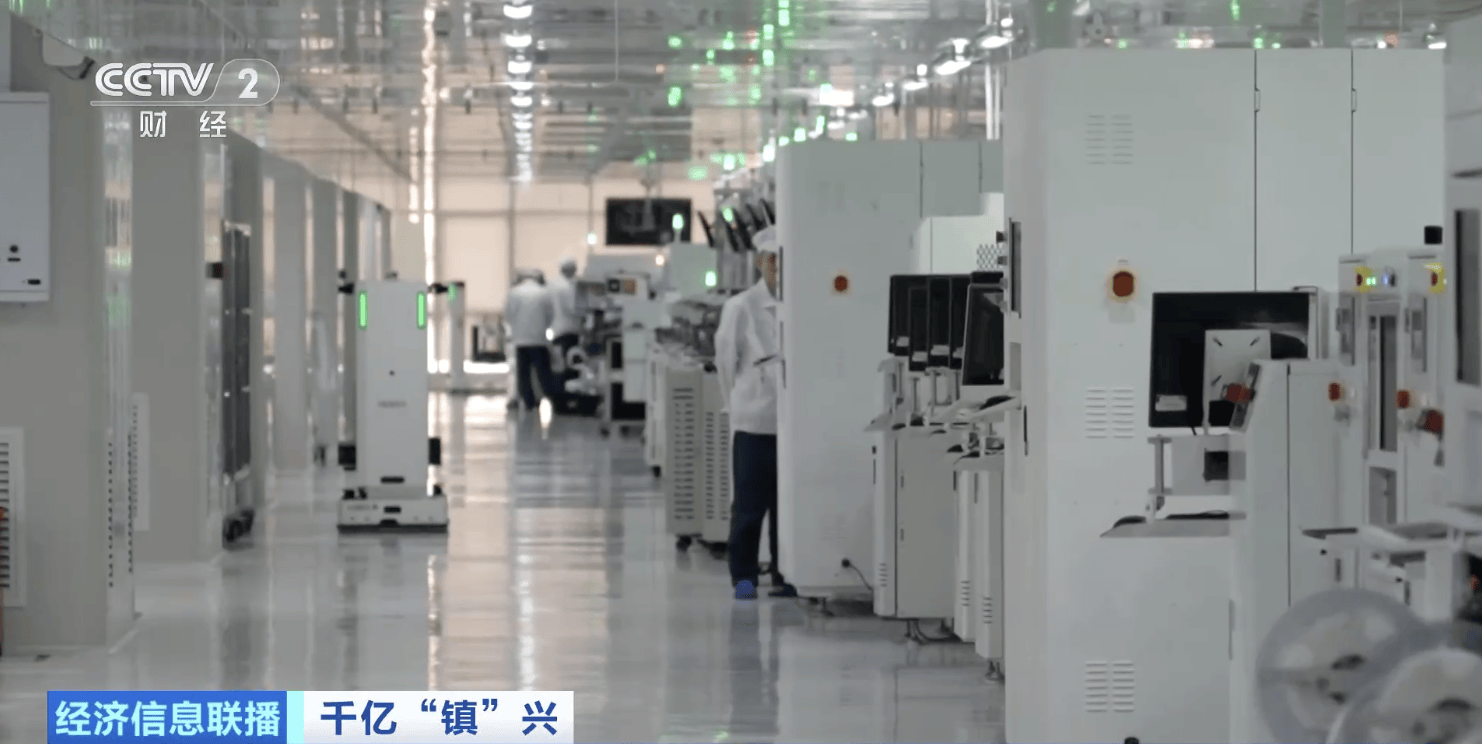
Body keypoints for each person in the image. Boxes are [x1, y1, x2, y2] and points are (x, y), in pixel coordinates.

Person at [715, 227, 795, 600]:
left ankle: (785, 574)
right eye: (771, 259)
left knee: (787, 506)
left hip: (792, 425)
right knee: (749, 508)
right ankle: (745, 579)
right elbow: (725, 365)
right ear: (760, 262)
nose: (777, 266)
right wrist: (738, 407)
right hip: (754, 424)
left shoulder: (798, 302)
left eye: (782, 258)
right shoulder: (741, 307)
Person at [504, 269, 561, 411]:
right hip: (539, 340)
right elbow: (551, 315)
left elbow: (508, 315)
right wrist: (544, 327)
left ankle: (528, 402)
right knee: (543, 373)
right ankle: (552, 401)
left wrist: (516, 330)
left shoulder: (514, 293)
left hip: (521, 341)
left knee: (524, 374)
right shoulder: (544, 293)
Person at [548, 257, 582, 382]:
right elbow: (574, 308)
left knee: (560, 364)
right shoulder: (573, 285)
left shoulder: (552, 284)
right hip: (572, 331)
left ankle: (561, 386)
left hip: (557, 331)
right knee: (573, 364)